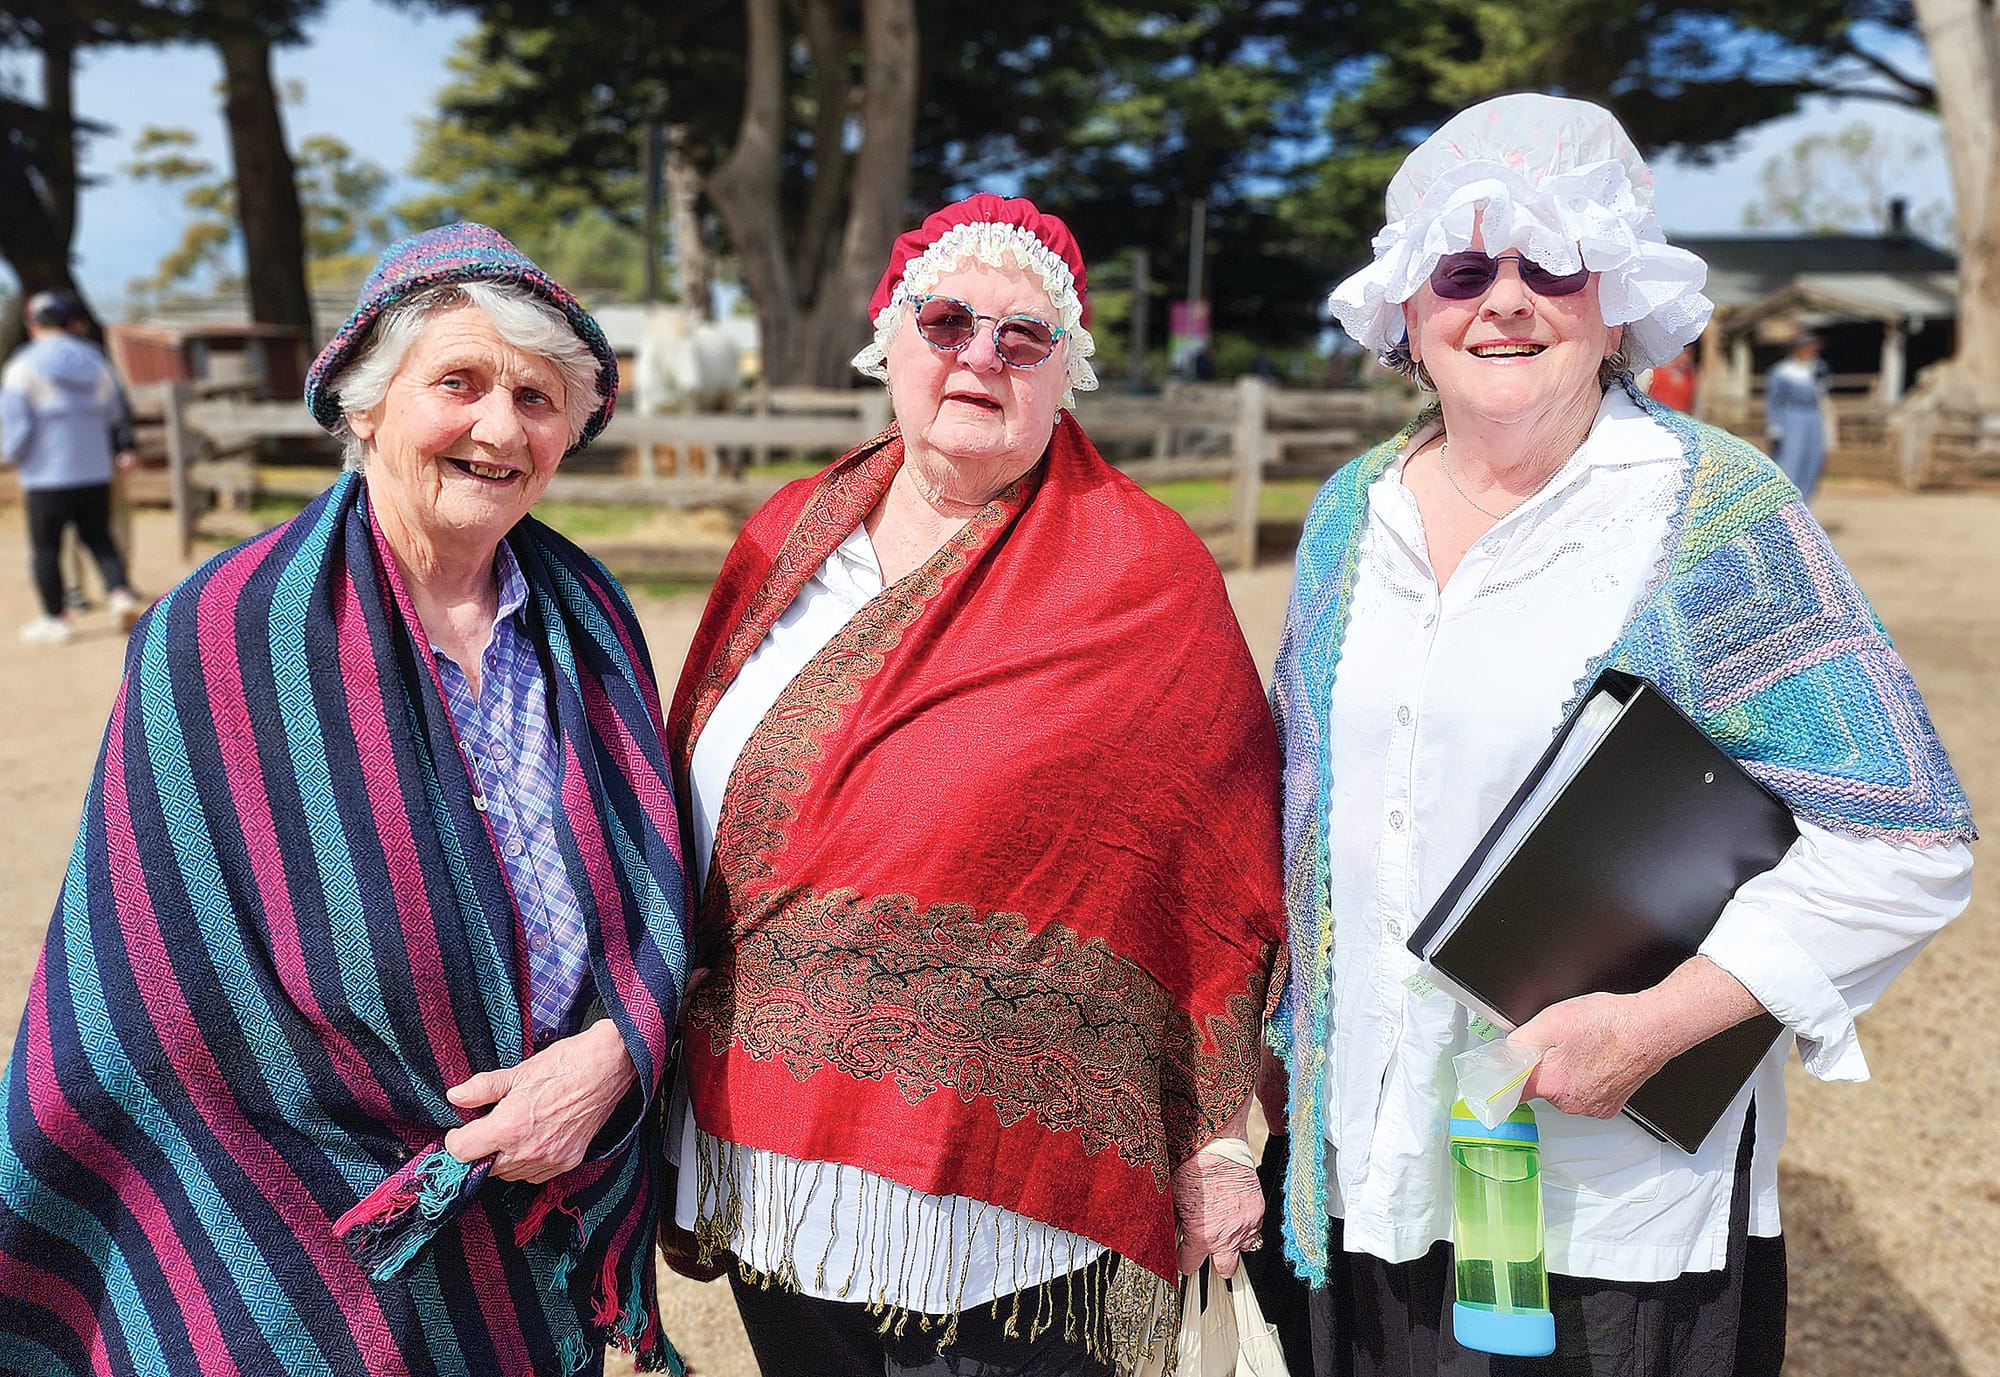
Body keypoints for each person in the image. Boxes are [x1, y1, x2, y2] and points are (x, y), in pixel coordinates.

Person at [1272, 94, 1974, 1377]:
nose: (1503, 301)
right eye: (1462, 267)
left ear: (1615, 304)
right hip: (1363, 1169)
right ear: (1405, 308)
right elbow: (1296, 820)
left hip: (1601, 1205)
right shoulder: (1345, 514)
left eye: (1551, 264)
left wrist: (1653, 1028)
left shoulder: (1712, 513)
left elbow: (1905, 842)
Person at [0, 225, 692, 1376]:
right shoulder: (225, 633)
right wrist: (445, 1134)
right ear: (365, 408)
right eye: (458, 384)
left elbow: (651, 886)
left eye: (536, 396)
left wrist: (611, 1059)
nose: (497, 427)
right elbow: (162, 997)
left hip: (547, 1188)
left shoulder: (592, 616)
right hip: (301, 1205)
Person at [663, 192, 1286, 1377]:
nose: (979, 357)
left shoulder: (1142, 573)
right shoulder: (784, 538)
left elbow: (1220, 861)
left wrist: (1213, 1130)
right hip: (765, 1155)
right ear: (888, 342)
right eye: (947, 322)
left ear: (1066, 376)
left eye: (1023, 337)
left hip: (1005, 1205)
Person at [0, 290, 144, 642]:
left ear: (32, 324)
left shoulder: (23, 366)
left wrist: (9, 456)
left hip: (46, 475)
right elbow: (114, 411)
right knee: (100, 539)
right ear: (71, 323)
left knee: (46, 548)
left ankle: (56, 617)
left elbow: (15, 425)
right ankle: (120, 593)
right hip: (94, 470)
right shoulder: (95, 361)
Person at [1766, 329, 1830, 497]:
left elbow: (1822, 394)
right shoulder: (1782, 372)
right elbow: (1774, 401)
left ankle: (1806, 501)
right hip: (1792, 417)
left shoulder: (1818, 368)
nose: (1812, 351)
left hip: (1813, 417)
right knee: (1791, 458)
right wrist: (1775, 427)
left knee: (1811, 460)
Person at [1644, 342, 1698, 413]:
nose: (1685, 358)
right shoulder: (1655, 372)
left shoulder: (1691, 378)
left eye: (1688, 354)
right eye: (1682, 354)